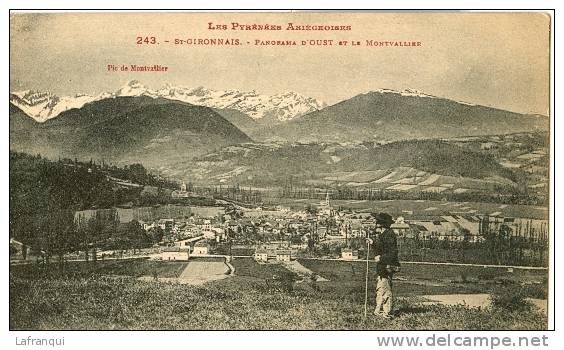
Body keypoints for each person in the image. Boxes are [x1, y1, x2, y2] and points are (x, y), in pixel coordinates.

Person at [372, 213, 400, 319]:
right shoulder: (383, 235)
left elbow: (392, 253)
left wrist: (381, 258)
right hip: (382, 267)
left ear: (381, 225)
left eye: (376, 223)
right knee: (380, 289)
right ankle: (379, 311)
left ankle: (386, 313)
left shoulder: (389, 235)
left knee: (385, 290)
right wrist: (373, 243)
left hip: (386, 267)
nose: (375, 225)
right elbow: (382, 248)